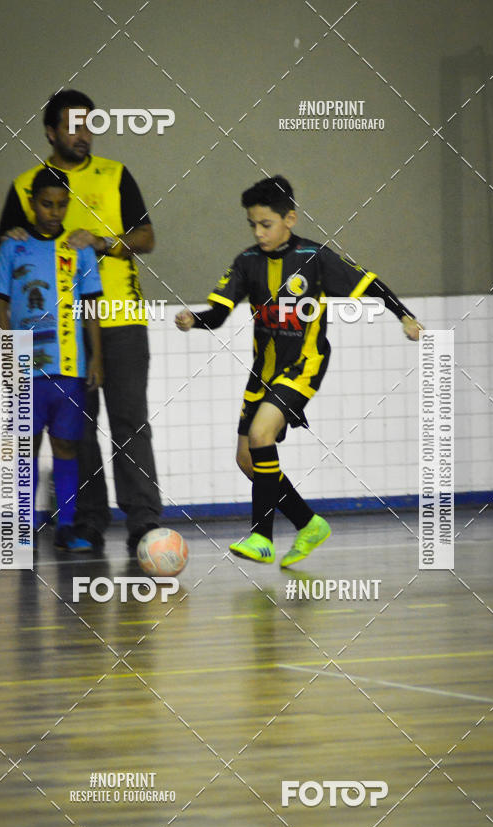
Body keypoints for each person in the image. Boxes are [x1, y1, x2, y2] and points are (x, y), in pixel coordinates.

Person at [176, 175, 423, 567]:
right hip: (263, 371)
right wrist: (196, 319)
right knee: (246, 458)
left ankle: (261, 536)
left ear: (289, 218)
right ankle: (308, 523)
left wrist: (405, 317)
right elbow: (220, 314)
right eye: (253, 225)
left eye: (266, 224)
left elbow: (370, 283)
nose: (258, 233)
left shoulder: (314, 257)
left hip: (304, 367)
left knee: (260, 434)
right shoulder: (247, 262)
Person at [0, 89, 161, 555]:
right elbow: (6, 252)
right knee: (78, 427)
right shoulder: (28, 183)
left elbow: (146, 237)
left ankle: (144, 521)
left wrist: (103, 242)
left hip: (119, 313)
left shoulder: (115, 174)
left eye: (89, 126)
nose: (83, 135)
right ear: (50, 132)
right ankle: (87, 521)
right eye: (73, 126)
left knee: (129, 419)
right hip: (60, 329)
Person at [0, 166, 103, 551]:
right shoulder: (12, 246)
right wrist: (8, 354)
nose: (54, 212)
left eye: (61, 205)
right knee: (27, 445)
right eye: (46, 204)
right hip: (24, 365)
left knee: (66, 446)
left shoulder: (79, 249)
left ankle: (66, 525)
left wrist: (96, 359)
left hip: (70, 365)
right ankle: (24, 525)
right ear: (33, 204)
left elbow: (90, 311)